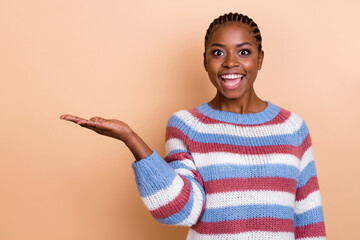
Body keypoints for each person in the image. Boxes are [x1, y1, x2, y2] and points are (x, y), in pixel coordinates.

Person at [60, 12, 326, 240]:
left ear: (260, 59)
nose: (230, 62)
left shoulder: (292, 128)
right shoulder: (186, 125)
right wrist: (131, 138)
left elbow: (309, 222)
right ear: (205, 61)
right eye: (218, 52)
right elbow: (181, 211)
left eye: (243, 52)